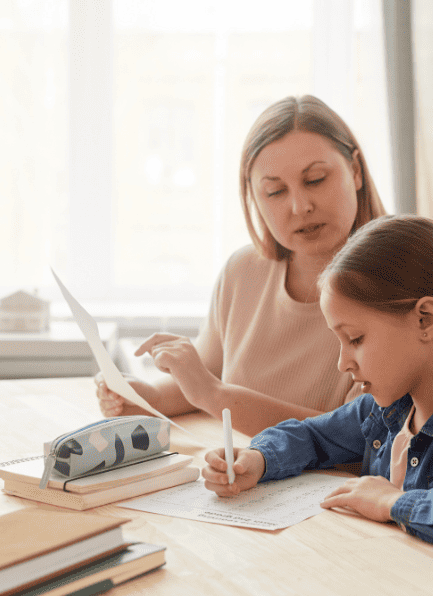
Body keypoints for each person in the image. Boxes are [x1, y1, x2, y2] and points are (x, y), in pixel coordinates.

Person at [203, 215, 433, 561]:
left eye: (355, 338)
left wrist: (392, 502)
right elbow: (313, 437)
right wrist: (259, 459)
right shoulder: (384, 410)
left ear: (425, 320)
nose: (343, 363)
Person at [97, 95, 386, 436]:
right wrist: (149, 396)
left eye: (315, 180)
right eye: (275, 191)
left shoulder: (394, 285)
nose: (299, 206)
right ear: (253, 197)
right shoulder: (244, 272)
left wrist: (212, 394)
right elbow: (206, 379)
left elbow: (358, 438)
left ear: (355, 170)